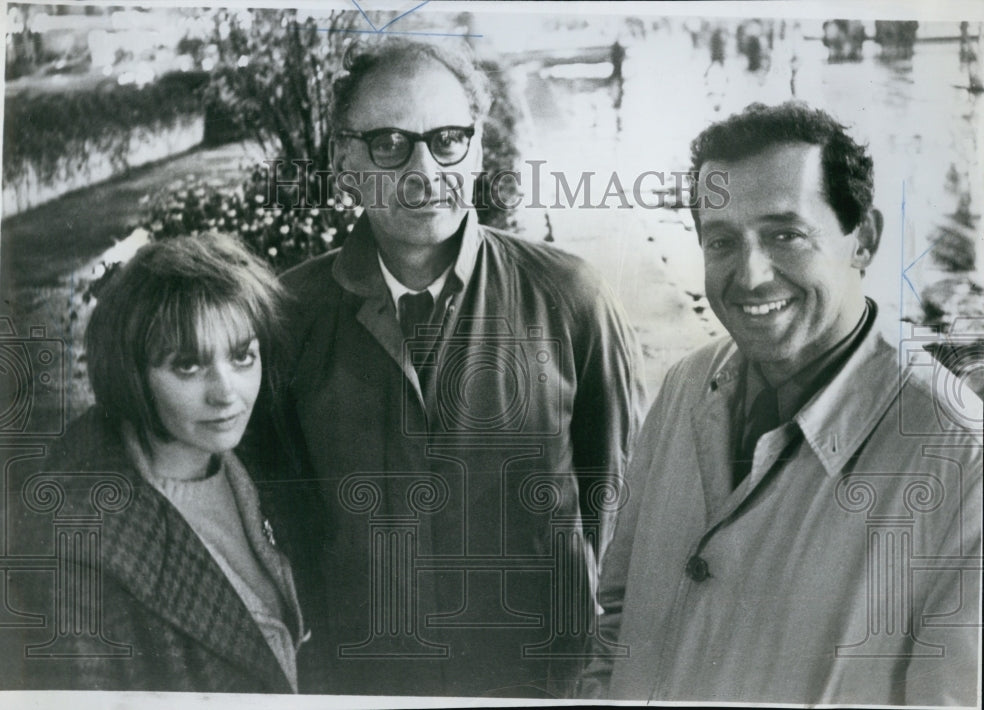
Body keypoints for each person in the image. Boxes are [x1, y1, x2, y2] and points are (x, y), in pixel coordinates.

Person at [262, 38, 646, 697]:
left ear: (475, 151)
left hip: (540, 679)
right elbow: (288, 518)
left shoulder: (571, 298)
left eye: (447, 139)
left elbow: (613, 503)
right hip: (365, 679)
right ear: (344, 160)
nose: (422, 169)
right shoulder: (288, 317)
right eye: (389, 143)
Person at [580, 102, 982, 705]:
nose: (751, 275)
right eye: (721, 241)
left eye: (784, 234)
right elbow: (616, 621)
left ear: (863, 239)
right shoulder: (686, 385)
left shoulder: (961, 460)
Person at [0, 233, 306, 693]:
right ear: (132, 373)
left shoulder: (257, 458)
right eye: (187, 365)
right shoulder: (75, 554)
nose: (227, 393)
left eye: (242, 356)